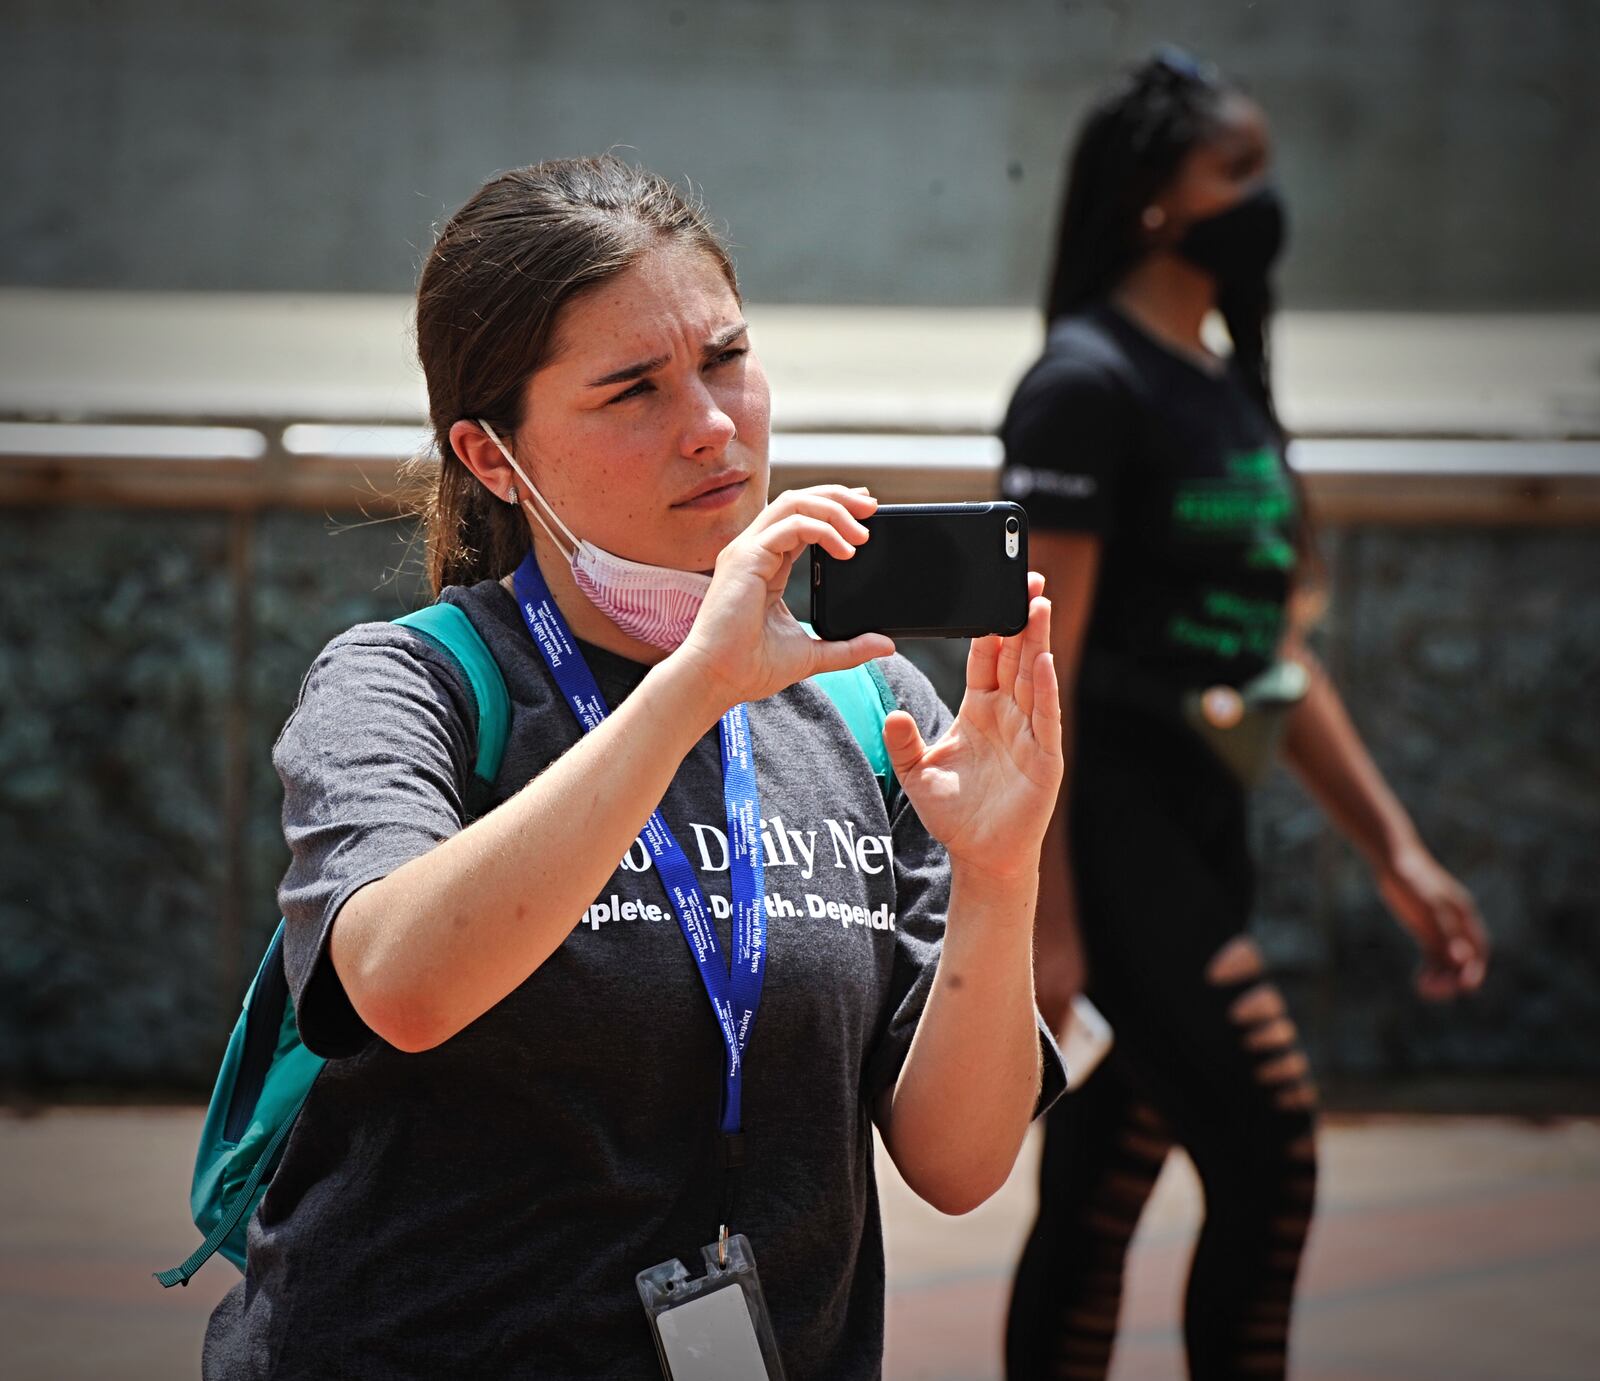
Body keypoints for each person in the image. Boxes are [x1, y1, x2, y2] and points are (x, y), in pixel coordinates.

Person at [201, 155, 1066, 1380]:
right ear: (493, 456)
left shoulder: (872, 709)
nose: (712, 424)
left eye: (724, 358)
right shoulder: (413, 685)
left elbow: (959, 1163)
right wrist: (690, 691)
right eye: (632, 390)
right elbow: (400, 984)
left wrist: (998, 870)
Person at [1001, 51, 1490, 1380]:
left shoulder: (1221, 390)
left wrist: (1394, 849)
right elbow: (1038, 661)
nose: (1268, 200)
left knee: (1096, 1202)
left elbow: (1275, 659)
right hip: (1113, 846)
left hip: (1205, 834)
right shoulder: (1085, 386)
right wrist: (1044, 921)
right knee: (1272, 1153)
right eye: (1241, 171)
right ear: (1156, 198)